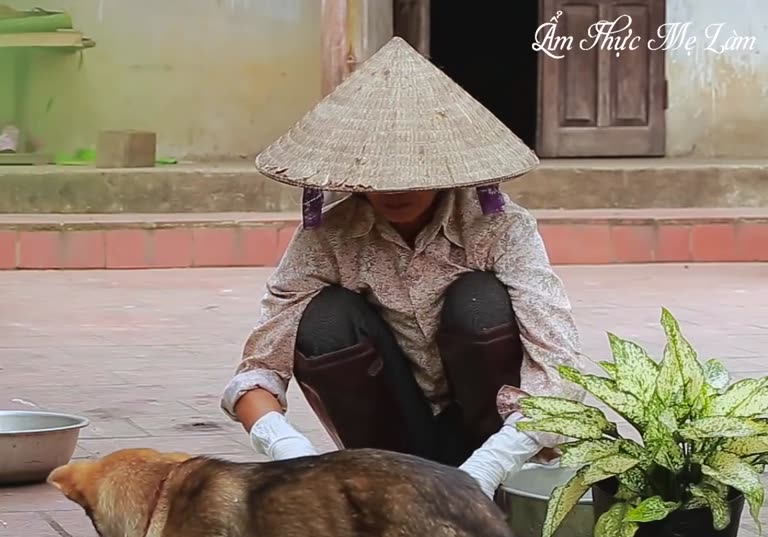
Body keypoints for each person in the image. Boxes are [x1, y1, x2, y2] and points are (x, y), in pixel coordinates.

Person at [221, 36, 582, 498]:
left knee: (479, 301)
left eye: (413, 169)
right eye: (378, 172)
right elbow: (257, 370)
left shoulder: (500, 228)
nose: (395, 189)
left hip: (492, 441)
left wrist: (493, 462)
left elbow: (559, 365)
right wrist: (287, 449)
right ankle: (387, 484)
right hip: (391, 442)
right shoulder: (328, 237)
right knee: (325, 319)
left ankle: (488, 483)